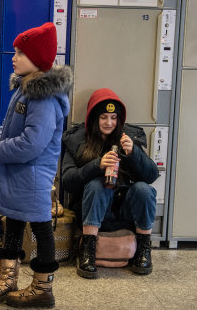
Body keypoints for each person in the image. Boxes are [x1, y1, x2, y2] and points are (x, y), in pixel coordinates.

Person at [0, 23, 72, 308]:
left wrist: (0, 151)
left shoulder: (43, 97)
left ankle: (43, 287)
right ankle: (8, 279)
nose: (13, 57)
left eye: (20, 52)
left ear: (37, 59)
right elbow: (6, 127)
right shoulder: (24, 88)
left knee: (41, 226)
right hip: (18, 171)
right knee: (14, 221)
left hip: (32, 174)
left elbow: (32, 142)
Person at [61, 88, 159, 278]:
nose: (109, 123)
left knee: (143, 189)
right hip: (94, 210)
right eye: (104, 117)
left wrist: (133, 154)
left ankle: (143, 250)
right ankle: (87, 251)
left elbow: (151, 175)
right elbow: (68, 181)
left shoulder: (128, 138)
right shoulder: (78, 140)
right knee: (97, 184)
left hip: (124, 210)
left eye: (114, 118)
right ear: (94, 118)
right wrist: (97, 165)